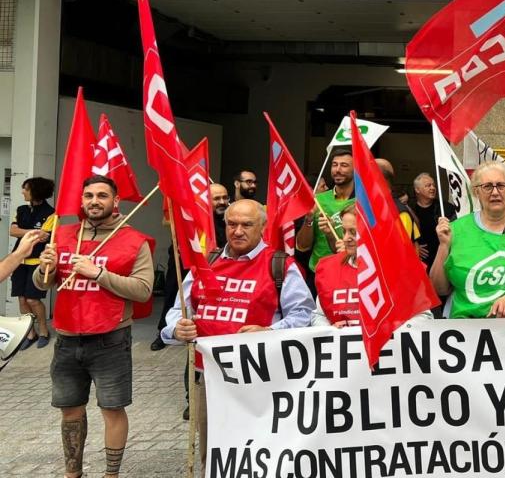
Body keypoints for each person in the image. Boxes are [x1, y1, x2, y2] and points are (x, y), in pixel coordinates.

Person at [162, 199, 314, 470]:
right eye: (232, 224)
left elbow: (304, 316)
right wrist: (176, 327)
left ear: (263, 228)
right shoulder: (205, 262)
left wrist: (269, 331)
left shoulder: (280, 265)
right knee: (214, 453)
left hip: (262, 378)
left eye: (247, 224)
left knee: (262, 450)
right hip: (207, 377)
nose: (238, 231)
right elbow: (178, 310)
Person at [34, 175, 156, 478]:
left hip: (110, 339)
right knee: (70, 410)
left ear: (116, 201)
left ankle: (111, 475)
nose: (94, 201)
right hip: (66, 339)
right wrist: (43, 267)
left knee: (112, 409)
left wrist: (97, 273)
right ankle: (72, 473)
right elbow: (44, 285)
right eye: (88, 195)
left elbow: (143, 290)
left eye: (102, 195)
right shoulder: (62, 235)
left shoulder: (134, 240)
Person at [430, 162, 505, 318]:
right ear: (476, 192)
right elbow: (439, 289)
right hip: (462, 329)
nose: (495, 192)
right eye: (487, 187)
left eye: (501, 185)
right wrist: (443, 247)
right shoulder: (455, 229)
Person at [151, 182, 232, 352]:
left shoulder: (230, 220)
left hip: (213, 267)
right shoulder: (193, 214)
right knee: (174, 296)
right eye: (216, 199)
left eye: (225, 197)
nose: (222, 202)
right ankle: (164, 332)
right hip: (185, 261)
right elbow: (168, 221)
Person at [9, 176, 56, 349]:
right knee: (22, 300)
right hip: (19, 261)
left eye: (25, 189)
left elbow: (46, 236)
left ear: (36, 191)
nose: (23, 191)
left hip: (37, 262)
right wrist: (34, 232)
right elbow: (13, 231)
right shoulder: (21, 209)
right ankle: (30, 333)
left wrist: (27, 232)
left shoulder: (51, 213)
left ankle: (43, 330)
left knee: (33, 299)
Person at [296, 148, 353, 275]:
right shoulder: (318, 200)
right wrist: (309, 219)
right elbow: (302, 246)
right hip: (318, 272)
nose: (337, 170)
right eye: (334, 165)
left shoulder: (363, 202)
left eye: (344, 165)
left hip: (350, 272)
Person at [409, 173, 456, 269]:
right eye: (428, 185)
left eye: (433, 185)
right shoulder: (409, 209)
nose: (433, 188)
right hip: (419, 262)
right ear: (417, 190)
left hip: (443, 259)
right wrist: (413, 247)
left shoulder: (446, 208)